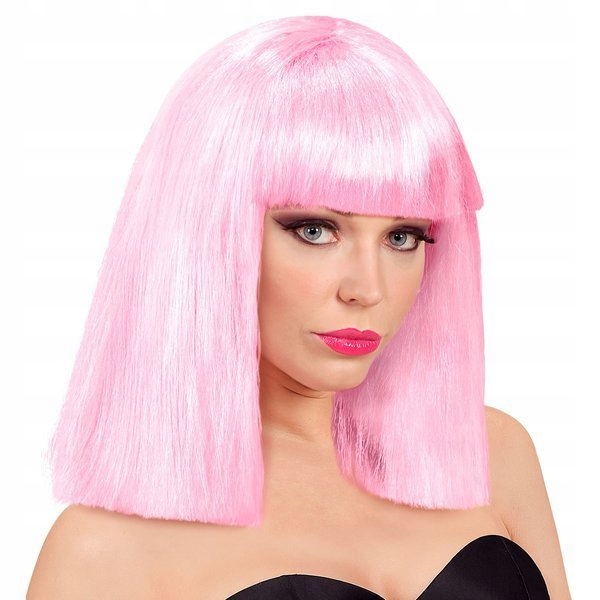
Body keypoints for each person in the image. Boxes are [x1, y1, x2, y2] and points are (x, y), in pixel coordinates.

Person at [27, 15, 571, 600]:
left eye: (402, 236)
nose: (367, 288)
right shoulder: (103, 549)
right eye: (315, 230)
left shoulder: (489, 453)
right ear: (207, 236)